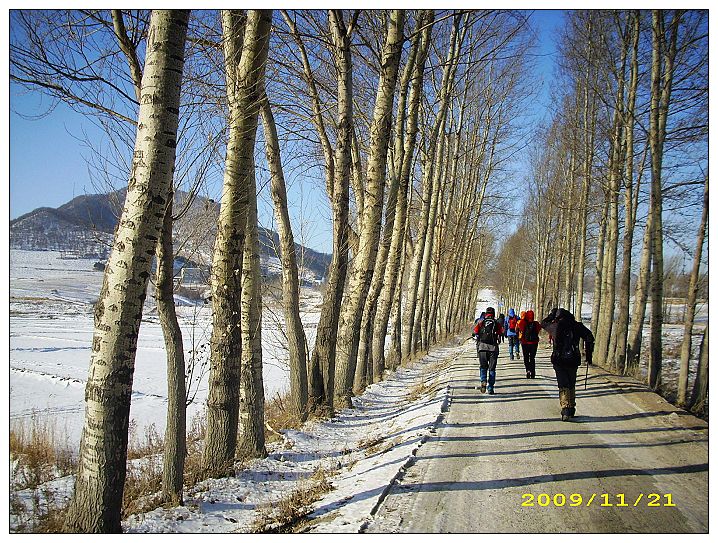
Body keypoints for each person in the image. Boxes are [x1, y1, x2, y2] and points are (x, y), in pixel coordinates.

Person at [541, 307, 595, 422]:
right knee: (571, 383)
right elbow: (589, 337)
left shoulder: (555, 326)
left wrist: (551, 315)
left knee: (563, 383)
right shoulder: (576, 326)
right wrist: (588, 355)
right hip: (573, 359)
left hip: (559, 359)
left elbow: (543, 323)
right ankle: (571, 408)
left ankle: (566, 408)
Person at [472, 306, 504, 394]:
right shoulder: (496, 323)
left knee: (483, 367)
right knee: (492, 369)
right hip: (493, 348)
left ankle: (483, 380)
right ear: (493, 314)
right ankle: (490, 388)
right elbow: (501, 332)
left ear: (486, 313)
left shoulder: (481, 322)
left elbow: (475, 332)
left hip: (482, 348)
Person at [517, 309, 541, 378]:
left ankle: (528, 370)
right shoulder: (536, 323)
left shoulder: (523, 323)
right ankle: (533, 373)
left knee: (526, 357)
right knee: (532, 358)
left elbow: (519, 327)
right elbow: (539, 329)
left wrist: (523, 318)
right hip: (534, 343)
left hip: (525, 343)